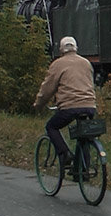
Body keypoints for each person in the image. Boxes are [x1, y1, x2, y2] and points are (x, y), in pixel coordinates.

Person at [33, 36, 97, 172]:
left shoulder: (58, 64)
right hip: (90, 106)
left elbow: (47, 89)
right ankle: (83, 170)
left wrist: (39, 104)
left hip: (69, 108)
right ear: (76, 48)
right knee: (83, 134)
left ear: (61, 50)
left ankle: (65, 154)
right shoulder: (86, 63)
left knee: (51, 127)